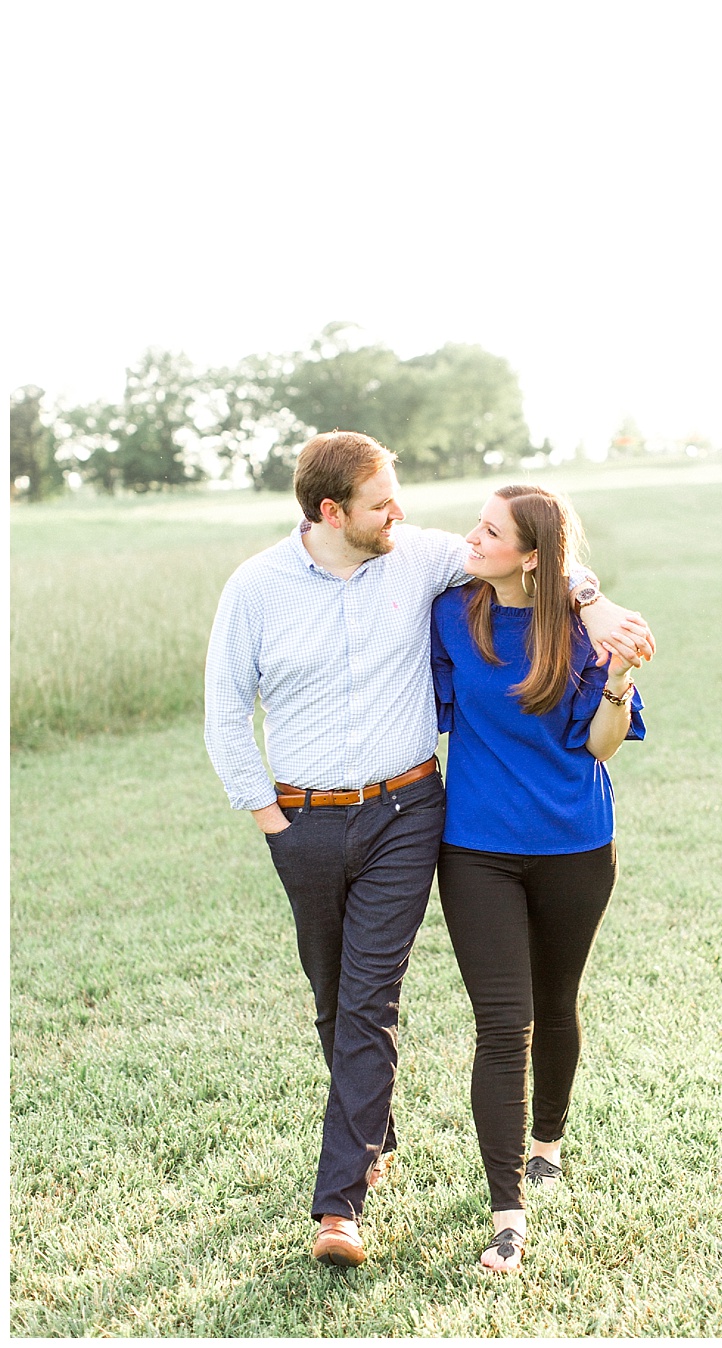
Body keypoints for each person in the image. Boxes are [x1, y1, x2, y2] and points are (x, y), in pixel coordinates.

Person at [203, 431, 653, 1268]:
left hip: (412, 813)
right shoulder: (262, 589)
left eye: (398, 499)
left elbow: (546, 556)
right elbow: (226, 711)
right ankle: (376, 1129)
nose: (404, 515)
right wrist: (271, 821)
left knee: (386, 998)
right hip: (304, 820)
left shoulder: (416, 558)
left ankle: (343, 1204)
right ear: (333, 511)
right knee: (335, 996)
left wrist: (592, 606)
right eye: (383, 503)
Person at [428, 484, 645, 1273]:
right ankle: (508, 1210)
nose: (471, 538)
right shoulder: (452, 611)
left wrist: (616, 674)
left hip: (576, 845)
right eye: (478, 523)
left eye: (490, 532)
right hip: (475, 847)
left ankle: (548, 1140)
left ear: (530, 555)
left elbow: (602, 745)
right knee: (502, 1022)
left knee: (556, 1003)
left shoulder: (590, 630)